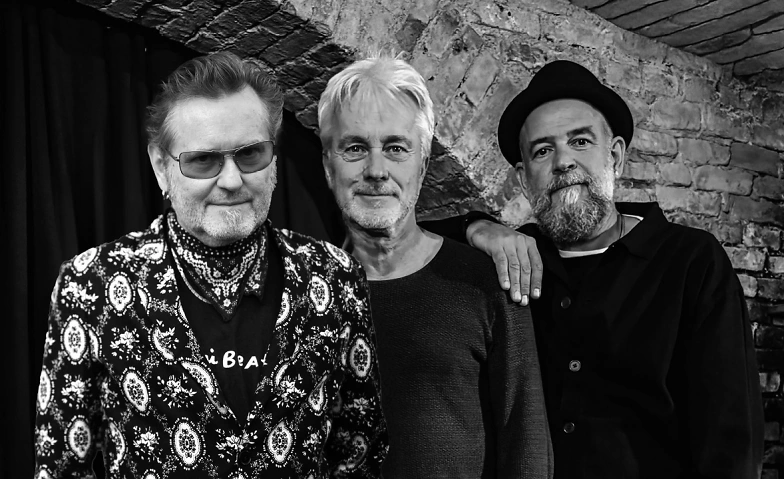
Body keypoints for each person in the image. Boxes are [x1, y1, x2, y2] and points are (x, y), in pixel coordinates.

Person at [34, 52, 387, 478]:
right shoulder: (91, 282)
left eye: (251, 154)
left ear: (274, 158)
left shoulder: (336, 275)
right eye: (203, 160)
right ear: (161, 167)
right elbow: (60, 468)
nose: (232, 180)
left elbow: (360, 451)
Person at [454, 60, 764, 478]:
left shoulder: (690, 261)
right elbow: (406, 240)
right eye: (543, 151)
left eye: (580, 141)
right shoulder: (513, 258)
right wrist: (476, 227)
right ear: (524, 178)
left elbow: (730, 442)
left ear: (614, 156)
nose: (563, 162)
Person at [317, 55, 553, 478]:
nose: (376, 170)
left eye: (396, 148)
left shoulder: (485, 282)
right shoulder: (300, 296)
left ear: (423, 165)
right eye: (354, 148)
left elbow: (527, 447)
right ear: (327, 166)